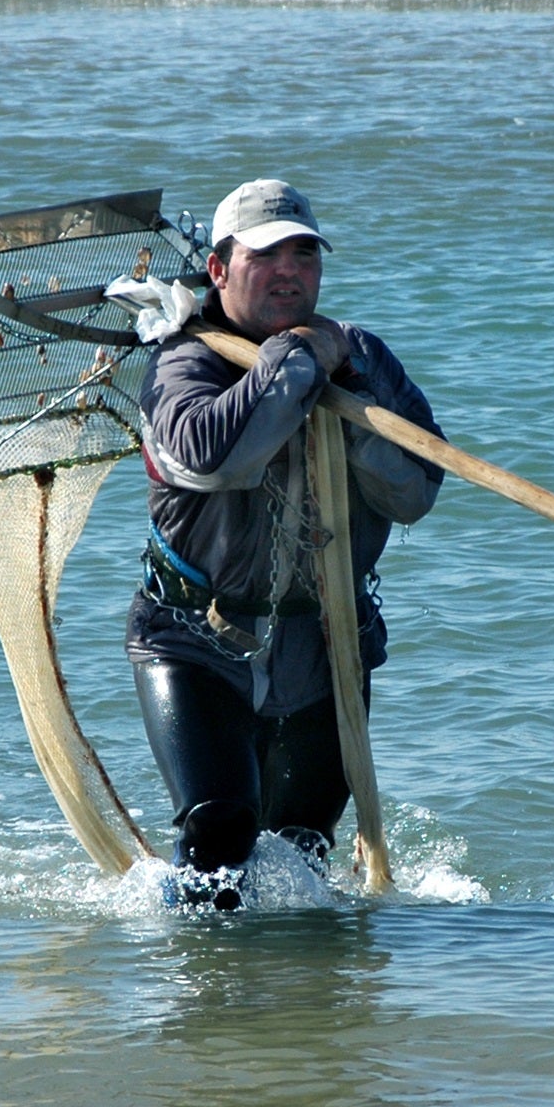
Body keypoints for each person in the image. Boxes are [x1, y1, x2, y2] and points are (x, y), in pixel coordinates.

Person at [124, 178, 443, 907]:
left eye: (304, 254)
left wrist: (349, 401)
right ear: (218, 270)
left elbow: (419, 489)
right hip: (197, 639)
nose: (290, 271)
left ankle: (304, 1014)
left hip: (326, 642)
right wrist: (297, 360)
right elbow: (214, 459)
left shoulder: (360, 356)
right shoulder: (182, 363)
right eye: (266, 256)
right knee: (219, 833)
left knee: (300, 854)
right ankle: (200, 1001)